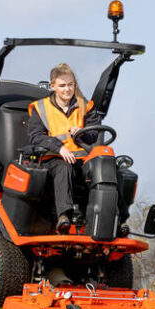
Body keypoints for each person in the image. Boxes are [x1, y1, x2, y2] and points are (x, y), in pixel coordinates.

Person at [26, 63, 99, 230]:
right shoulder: (41, 107)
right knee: (64, 168)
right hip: (53, 158)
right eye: (62, 85)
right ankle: (63, 216)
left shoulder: (86, 106)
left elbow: (94, 134)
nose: (67, 89)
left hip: (82, 158)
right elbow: (36, 136)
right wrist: (59, 148)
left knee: (108, 167)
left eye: (71, 84)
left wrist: (83, 132)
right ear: (53, 86)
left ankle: (118, 219)